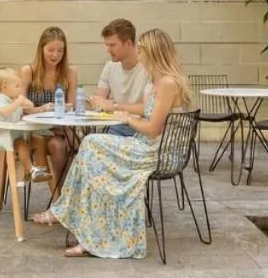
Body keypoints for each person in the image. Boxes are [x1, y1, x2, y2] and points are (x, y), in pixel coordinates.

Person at [33, 29, 191, 258]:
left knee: (90, 147)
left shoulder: (167, 83)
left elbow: (154, 128)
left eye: (142, 51)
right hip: (146, 144)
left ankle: (68, 214)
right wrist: (128, 115)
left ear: (154, 53)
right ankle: (83, 229)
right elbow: (153, 121)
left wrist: (128, 119)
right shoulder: (159, 82)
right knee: (91, 155)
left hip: (156, 152)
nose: (140, 55)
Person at [20, 26, 77, 184]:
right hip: (34, 132)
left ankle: (64, 196)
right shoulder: (29, 71)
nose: (55, 55)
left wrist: (65, 108)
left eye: (60, 50)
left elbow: (72, 106)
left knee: (61, 146)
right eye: (51, 50)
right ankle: (61, 199)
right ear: (41, 48)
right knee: (57, 145)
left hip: (59, 130)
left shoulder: (70, 73)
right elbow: (22, 107)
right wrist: (43, 108)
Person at [0, 67, 49, 182]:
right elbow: (4, 112)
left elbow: (31, 106)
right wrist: (17, 102)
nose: (20, 89)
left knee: (39, 139)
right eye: (17, 86)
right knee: (21, 144)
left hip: (17, 133)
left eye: (20, 86)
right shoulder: (2, 100)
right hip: (5, 136)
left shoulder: (15, 99)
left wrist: (26, 103)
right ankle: (31, 170)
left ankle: (40, 170)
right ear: (4, 87)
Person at [90, 18, 150, 137]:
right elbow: (99, 101)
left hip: (141, 129)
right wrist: (94, 101)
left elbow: (147, 108)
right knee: (89, 140)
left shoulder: (148, 68)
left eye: (112, 45)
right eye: (107, 45)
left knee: (90, 142)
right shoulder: (110, 67)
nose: (108, 50)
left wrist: (115, 106)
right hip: (116, 126)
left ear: (128, 43)